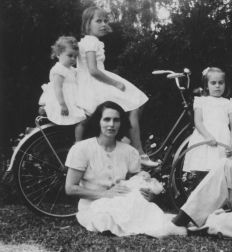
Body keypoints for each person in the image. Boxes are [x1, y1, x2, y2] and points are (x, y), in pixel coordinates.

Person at [65, 101, 186, 237]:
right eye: (106, 119)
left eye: (116, 120)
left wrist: (147, 193)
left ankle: (167, 225)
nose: (111, 124)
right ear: (98, 122)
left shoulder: (129, 151)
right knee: (104, 219)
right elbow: (70, 188)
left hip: (123, 202)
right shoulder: (81, 149)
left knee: (141, 210)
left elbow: (135, 181)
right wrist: (105, 194)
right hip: (92, 205)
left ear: (121, 123)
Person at [76, 6, 158, 167]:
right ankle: (138, 151)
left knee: (136, 101)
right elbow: (93, 70)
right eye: (98, 21)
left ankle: (125, 141)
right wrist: (114, 83)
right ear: (87, 24)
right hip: (95, 84)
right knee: (136, 102)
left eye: (105, 21)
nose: (103, 24)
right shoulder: (91, 42)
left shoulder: (88, 42)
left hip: (92, 83)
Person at [182, 67, 232, 174]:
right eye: (213, 83)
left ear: (225, 84)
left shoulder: (229, 103)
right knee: (203, 172)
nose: (217, 86)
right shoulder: (201, 101)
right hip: (205, 139)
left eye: (221, 83)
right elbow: (198, 122)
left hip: (223, 141)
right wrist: (207, 136)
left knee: (223, 173)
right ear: (207, 86)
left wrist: (231, 145)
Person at [38, 36, 86, 140]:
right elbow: (57, 88)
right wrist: (62, 105)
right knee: (81, 119)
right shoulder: (59, 69)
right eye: (70, 55)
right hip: (63, 102)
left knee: (81, 119)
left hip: (72, 101)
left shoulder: (72, 70)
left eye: (75, 56)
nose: (73, 59)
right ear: (59, 54)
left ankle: (75, 140)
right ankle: (78, 142)